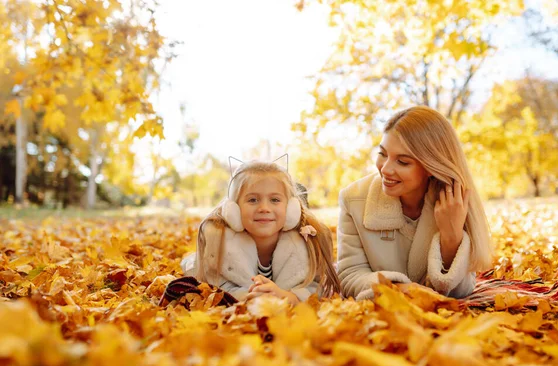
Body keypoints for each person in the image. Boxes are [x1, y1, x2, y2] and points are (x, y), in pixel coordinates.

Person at [337, 106, 492, 300]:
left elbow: (461, 291)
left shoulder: (454, 202)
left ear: (431, 166)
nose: (385, 169)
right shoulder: (354, 199)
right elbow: (349, 275)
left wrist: (451, 237)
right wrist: (400, 289)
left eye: (402, 162)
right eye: (383, 154)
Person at [181, 160, 340, 304]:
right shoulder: (220, 245)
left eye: (275, 200)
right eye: (253, 200)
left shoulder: (307, 244)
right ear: (234, 210)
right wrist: (248, 297)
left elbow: (318, 288)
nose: (264, 208)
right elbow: (213, 287)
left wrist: (287, 296)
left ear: (291, 208)